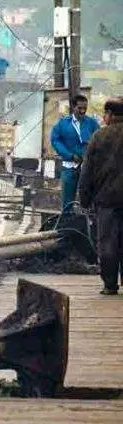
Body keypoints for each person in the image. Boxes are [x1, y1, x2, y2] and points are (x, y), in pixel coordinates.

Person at [78, 97, 123, 295]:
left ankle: (110, 284)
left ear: (110, 115)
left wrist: (84, 199)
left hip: (107, 200)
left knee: (107, 243)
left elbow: (87, 172)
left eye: (105, 113)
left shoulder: (99, 137)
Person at [51, 94, 100, 215]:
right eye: (80, 108)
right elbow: (55, 141)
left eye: (85, 108)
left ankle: (89, 221)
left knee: (89, 197)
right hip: (69, 166)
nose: (83, 111)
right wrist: (69, 155)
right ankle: (67, 220)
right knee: (67, 201)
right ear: (73, 107)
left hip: (88, 167)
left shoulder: (92, 123)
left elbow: (99, 140)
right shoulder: (62, 124)